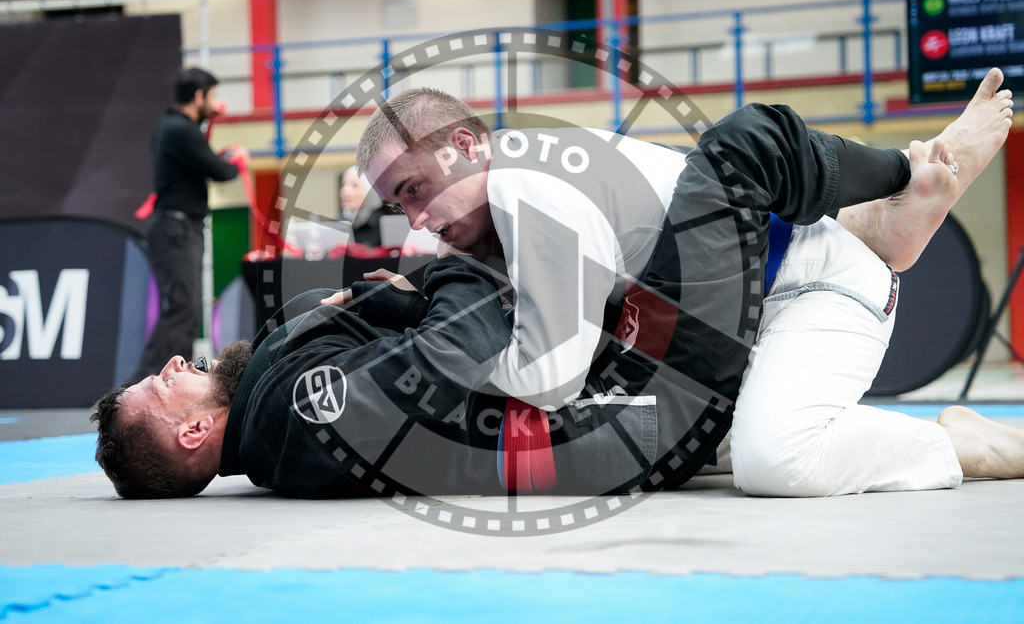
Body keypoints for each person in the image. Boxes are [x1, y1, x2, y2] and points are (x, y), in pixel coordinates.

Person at [92, 70, 1022, 500]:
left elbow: (548, 374)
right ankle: (889, 230)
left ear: (467, 146)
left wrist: (425, 305)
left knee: (773, 460)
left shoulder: (525, 188)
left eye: (413, 191)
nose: (414, 220)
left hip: (811, 291)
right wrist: (416, 297)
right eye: (398, 203)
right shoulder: (492, 214)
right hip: (747, 316)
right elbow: (549, 365)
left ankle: (901, 213)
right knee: (735, 441)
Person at [129, 68, 250, 384]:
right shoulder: (181, 130)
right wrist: (237, 161)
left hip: (175, 229)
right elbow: (219, 170)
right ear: (199, 96)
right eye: (212, 96)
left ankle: (169, 384)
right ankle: (141, 387)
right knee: (183, 311)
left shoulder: (171, 128)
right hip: (178, 230)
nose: (215, 103)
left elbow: (199, 155)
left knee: (184, 311)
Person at [338, 165, 385, 247]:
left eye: (355, 185)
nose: (346, 191)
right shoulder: (337, 223)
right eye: (343, 184)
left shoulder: (382, 225)